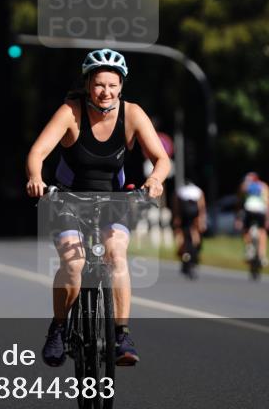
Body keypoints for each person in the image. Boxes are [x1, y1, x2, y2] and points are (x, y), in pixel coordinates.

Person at [26, 49, 170, 367]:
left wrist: (156, 179)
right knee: (74, 264)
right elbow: (37, 152)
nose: (106, 92)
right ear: (88, 84)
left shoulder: (132, 114)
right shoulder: (71, 112)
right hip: (67, 199)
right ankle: (58, 329)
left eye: (112, 85)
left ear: (121, 86)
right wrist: (36, 178)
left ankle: (121, 335)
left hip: (112, 201)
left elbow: (161, 159)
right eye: (99, 84)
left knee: (116, 254)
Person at [237, 172, 269, 265]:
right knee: (262, 232)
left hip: (249, 210)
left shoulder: (244, 186)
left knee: (246, 229)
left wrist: (238, 219)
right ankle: (262, 255)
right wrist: (268, 219)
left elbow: (239, 202)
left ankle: (249, 249)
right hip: (261, 211)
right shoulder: (264, 186)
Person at [173, 181, 207, 277]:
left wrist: (177, 217)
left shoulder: (180, 190)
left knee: (182, 233)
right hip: (194, 212)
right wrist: (201, 220)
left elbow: (176, 204)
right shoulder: (198, 191)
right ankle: (194, 252)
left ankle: (184, 253)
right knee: (194, 232)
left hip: (184, 212)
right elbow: (201, 206)